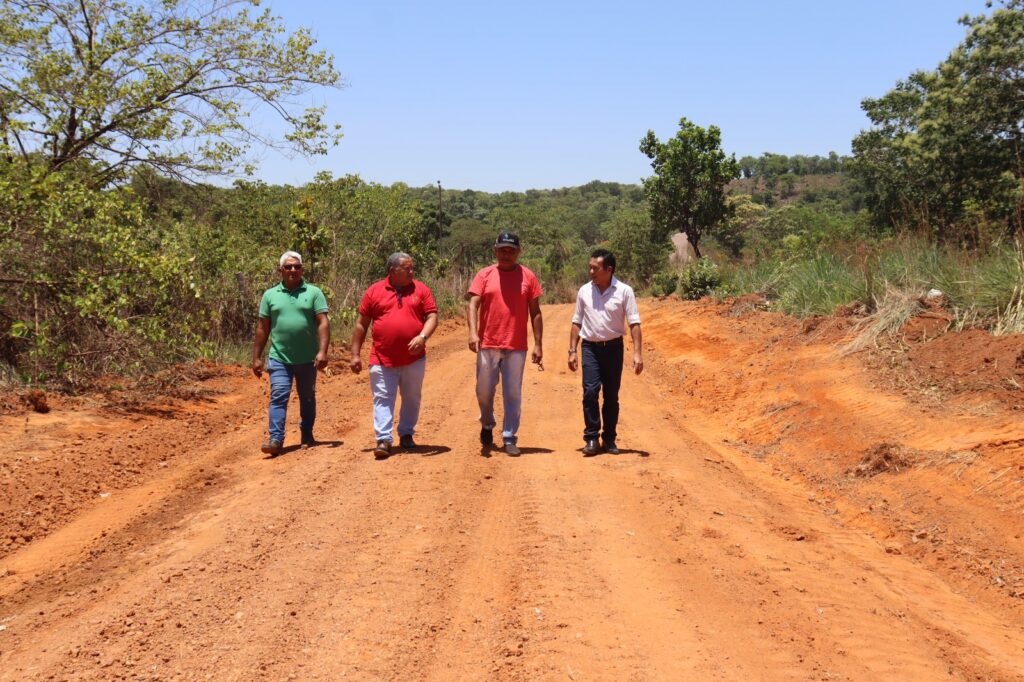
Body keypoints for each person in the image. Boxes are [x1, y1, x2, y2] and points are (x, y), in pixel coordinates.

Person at [350, 252, 438, 459]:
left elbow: (432, 316)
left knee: (412, 397)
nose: (412, 271)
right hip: (382, 357)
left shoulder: (421, 289)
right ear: (392, 271)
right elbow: (361, 324)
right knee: (382, 397)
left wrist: (423, 337)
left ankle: (406, 434)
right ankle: (383, 439)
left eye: (412, 267)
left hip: (414, 358)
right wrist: (355, 354)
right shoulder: (374, 291)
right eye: (407, 268)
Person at [466, 231, 543, 456]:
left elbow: (535, 312)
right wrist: (473, 333)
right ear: (495, 250)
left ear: (518, 252)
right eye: (502, 250)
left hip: (516, 345)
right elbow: (472, 305)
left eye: (511, 250)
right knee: (483, 391)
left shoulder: (528, 277)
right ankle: (487, 423)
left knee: (512, 393)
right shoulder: (484, 275)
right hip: (488, 343)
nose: (506, 254)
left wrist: (538, 344)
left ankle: (510, 436)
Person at [252, 251, 330, 455]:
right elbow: (263, 328)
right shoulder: (270, 295)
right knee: (278, 395)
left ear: (302, 270)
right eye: (288, 267)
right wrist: (256, 357)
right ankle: (275, 439)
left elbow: (323, 322)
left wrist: (323, 351)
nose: (293, 270)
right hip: (280, 357)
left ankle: (307, 433)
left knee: (307, 397)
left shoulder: (314, 293)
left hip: (307, 358)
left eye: (297, 266)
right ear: (281, 270)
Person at [568, 248, 643, 455]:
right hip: (590, 348)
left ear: (609, 270)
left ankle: (609, 439)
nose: (591, 272)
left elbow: (634, 323)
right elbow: (577, 321)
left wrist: (637, 353)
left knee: (611, 395)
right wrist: (572, 350)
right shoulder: (584, 291)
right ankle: (592, 438)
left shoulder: (625, 291)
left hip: (613, 348)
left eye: (595, 268)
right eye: (590, 267)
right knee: (590, 391)